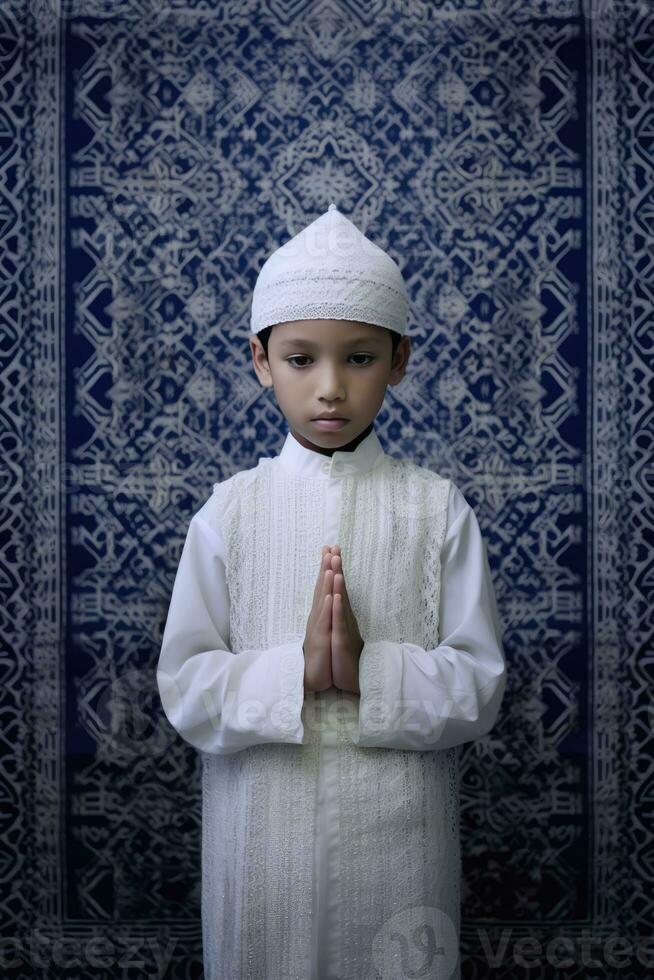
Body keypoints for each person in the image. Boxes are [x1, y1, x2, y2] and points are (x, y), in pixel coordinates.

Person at [156, 202, 507, 980]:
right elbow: (184, 688)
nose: (329, 390)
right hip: (260, 851)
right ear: (259, 360)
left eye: (358, 359)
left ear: (399, 360)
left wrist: (365, 668)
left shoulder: (436, 507)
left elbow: (480, 686)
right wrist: (301, 672)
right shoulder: (230, 513)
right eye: (301, 358)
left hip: (401, 849)